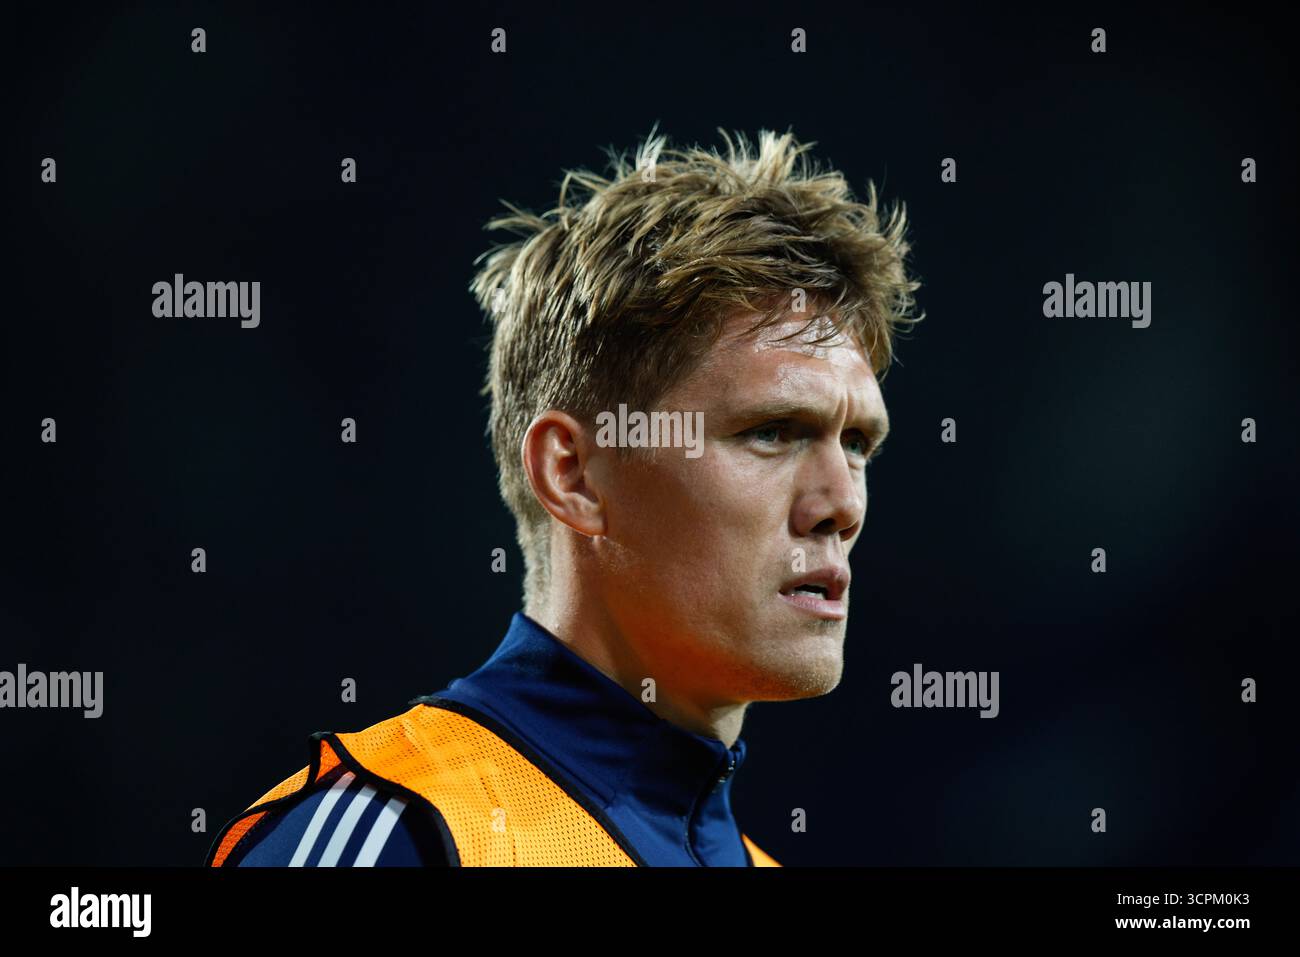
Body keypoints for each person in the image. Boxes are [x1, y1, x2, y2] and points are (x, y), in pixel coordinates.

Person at [205, 126, 922, 867]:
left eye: (858, 443)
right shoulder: (403, 833)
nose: (842, 502)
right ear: (574, 475)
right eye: (773, 431)